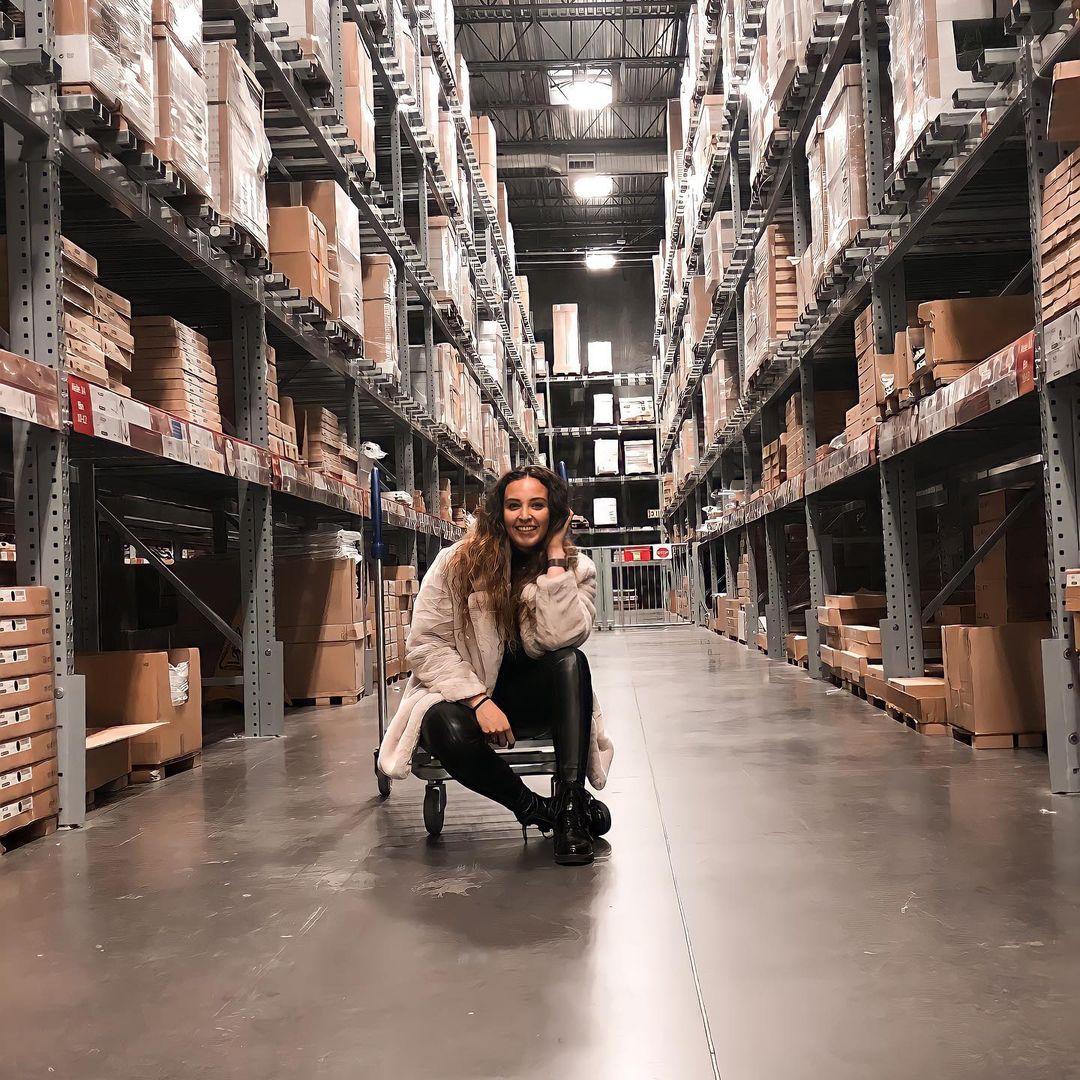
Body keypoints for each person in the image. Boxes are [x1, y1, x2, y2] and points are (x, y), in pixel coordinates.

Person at [377, 465, 614, 866]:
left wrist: (555, 562)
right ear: (498, 512)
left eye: (537, 505)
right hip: (468, 693)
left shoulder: (578, 569)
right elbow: (425, 644)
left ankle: (571, 807)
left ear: (554, 513)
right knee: (440, 725)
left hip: (535, 694)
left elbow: (562, 639)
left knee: (572, 662)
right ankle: (538, 811)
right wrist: (476, 700)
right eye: (514, 505)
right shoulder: (457, 564)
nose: (525, 515)